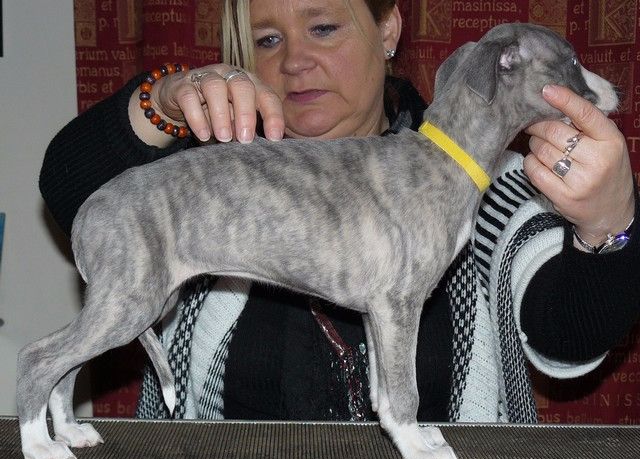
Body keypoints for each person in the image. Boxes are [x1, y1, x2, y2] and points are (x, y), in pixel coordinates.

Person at [40, 0, 639, 423]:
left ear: (387, 29)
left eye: (323, 27)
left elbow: (567, 336)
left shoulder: (502, 186)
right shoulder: (211, 174)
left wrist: (609, 223)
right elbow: (72, 190)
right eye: (268, 40)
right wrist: (160, 106)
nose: (295, 60)